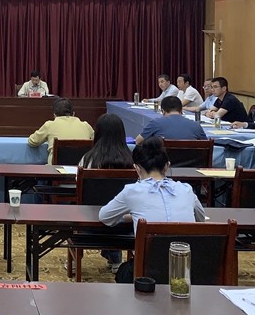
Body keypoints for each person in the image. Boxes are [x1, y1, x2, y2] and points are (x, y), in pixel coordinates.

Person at [99, 137, 206, 283]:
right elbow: (200, 219)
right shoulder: (186, 189)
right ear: (167, 166)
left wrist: (128, 216)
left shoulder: (132, 191)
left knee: (124, 272)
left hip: (149, 273)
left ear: (137, 168)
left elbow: (105, 217)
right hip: (187, 270)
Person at [78, 113, 133, 270]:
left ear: (98, 133)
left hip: (90, 222)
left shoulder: (87, 160)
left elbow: (78, 187)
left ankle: (77, 261)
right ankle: (115, 258)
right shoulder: (132, 161)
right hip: (125, 223)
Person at [27, 97, 94, 164]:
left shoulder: (49, 125)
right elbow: (97, 143)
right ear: (73, 114)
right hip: (81, 168)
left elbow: (32, 141)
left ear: (54, 115)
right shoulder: (86, 126)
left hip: (56, 169)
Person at [135, 96, 208, 144]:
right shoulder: (196, 125)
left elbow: (138, 141)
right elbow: (206, 144)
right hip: (191, 163)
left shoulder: (155, 123)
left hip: (162, 163)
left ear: (163, 111)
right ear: (181, 111)